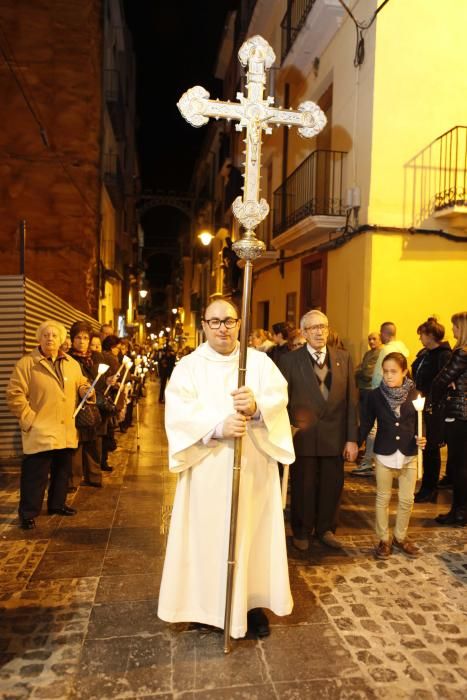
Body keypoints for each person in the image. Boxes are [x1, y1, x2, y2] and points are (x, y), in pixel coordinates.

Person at [158, 299, 295, 639]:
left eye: (229, 321)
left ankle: (250, 604)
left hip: (253, 470)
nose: (222, 327)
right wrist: (217, 427)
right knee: (208, 539)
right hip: (208, 470)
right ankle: (206, 607)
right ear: (203, 324)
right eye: (215, 321)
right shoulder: (188, 367)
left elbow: (280, 397)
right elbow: (177, 413)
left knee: (252, 534)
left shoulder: (259, 363)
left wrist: (258, 407)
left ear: (239, 323)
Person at [279, 309, 359, 551]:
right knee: (303, 486)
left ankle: (326, 529)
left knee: (332, 486)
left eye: (323, 326)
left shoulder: (343, 358)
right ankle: (301, 531)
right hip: (303, 436)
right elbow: (282, 401)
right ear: (303, 332)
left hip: (335, 437)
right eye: (313, 327)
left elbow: (352, 401)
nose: (319, 331)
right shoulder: (290, 360)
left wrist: (352, 439)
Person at [6, 320, 91, 529]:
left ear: (61, 339)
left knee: (62, 471)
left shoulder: (71, 363)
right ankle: (28, 512)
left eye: (54, 335)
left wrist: (85, 389)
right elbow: (14, 394)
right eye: (46, 335)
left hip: (65, 428)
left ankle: (57, 504)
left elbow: (81, 382)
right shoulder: (27, 364)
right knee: (36, 474)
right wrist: (29, 419)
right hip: (40, 429)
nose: (50, 338)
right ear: (39, 338)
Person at [360, 353, 426, 559]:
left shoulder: (415, 395)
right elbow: (367, 422)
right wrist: (354, 441)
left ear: (404, 372)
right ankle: (383, 539)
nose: (388, 376)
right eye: (385, 371)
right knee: (383, 498)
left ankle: (400, 536)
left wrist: (423, 437)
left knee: (407, 499)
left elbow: (420, 422)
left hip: (408, 453)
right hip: (384, 453)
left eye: (393, 372)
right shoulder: (375, 396)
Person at [430, 311, 467, 527]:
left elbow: (439, 380)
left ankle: (459, 512)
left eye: (454, 326)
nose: (452, 329)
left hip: (459, 414)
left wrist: (439, 394)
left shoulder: (461, 353)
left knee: (459, 466)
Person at [411, 317, 452, 502]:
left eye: (422, 335)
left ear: (431, 336)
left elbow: (442, 383)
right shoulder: (425, 353)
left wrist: (431, 402)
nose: (420, 338)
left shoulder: (443, 355)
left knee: (431, 448)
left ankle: (430, 488)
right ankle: (426, 486)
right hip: (422, 405)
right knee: (424, 446)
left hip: (434, 408)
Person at [68, 321, 111, 488]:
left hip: (94, 406)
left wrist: (108, 381)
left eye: (85, 338)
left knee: (94, 442)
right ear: (72, 340)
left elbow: (101, 382)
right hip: (76, 405)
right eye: (78, 337)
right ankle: (74, 479)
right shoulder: (68, 358)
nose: (82, 341)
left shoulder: (96, 358)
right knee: (76, 444)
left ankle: (94, 476)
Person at [352, 331, 382, 476]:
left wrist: (359, 372)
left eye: (374, 339)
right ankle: (366, 457)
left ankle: (366, 458)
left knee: (369, 426)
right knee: (365, 424)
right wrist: (359, 371)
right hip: (363, 390)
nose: (371, 341)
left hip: (371, 390)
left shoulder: (379, 354)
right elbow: (360, 369)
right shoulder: (368, 353)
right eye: (369, 339)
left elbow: (367, 373)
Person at [371, 322, 409, 388]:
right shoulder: (400, 347)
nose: (380, 335)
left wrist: (375, 390)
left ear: (385, 333)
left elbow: (380, 374)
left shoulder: (387, 350)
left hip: (385, 391)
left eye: (381, 332)